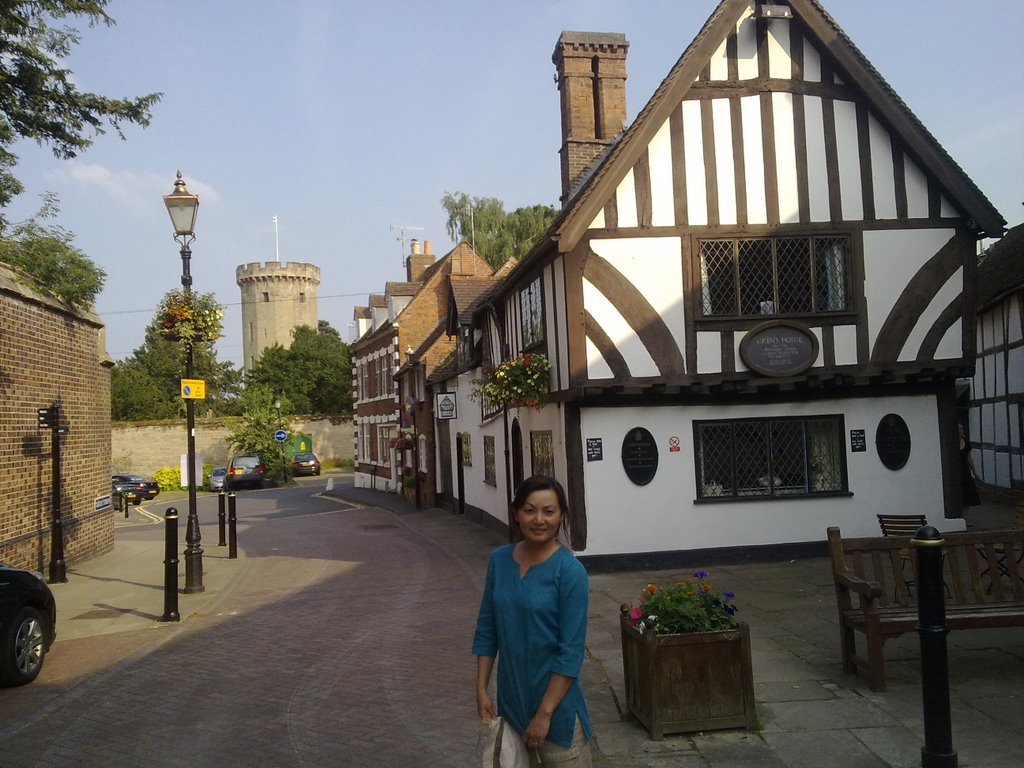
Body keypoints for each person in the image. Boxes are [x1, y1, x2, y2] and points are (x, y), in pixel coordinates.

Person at [473, 475, 592, 766]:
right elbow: (487, 629)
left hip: (558, 716)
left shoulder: (570, 572)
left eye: (549, 511)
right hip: (512, 709)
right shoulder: (499, 561)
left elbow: (571, 652)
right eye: (529, 510)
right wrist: (481, 688)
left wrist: (544, 714)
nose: (539, 519)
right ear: (516, 513)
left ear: (561, 515)